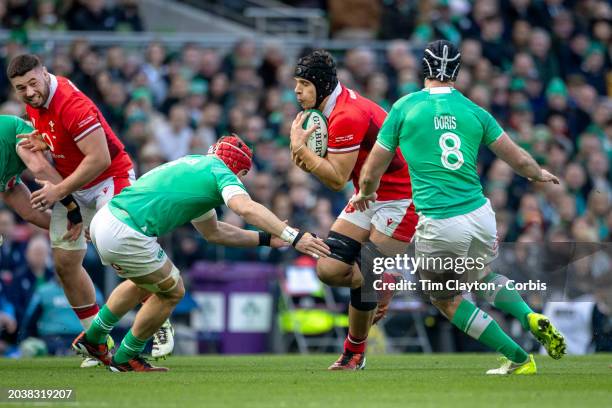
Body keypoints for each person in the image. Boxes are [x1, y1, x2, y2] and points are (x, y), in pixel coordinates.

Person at [353, 40, 567, 375]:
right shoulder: (474, 111)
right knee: (482, 275)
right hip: (480, 214)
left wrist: (364, 192)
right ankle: (528, 315)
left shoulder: (405, 107)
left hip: (440, 220)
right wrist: (538, 174)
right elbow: (520, 160)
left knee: (446, 299)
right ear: (456, 71)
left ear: (424, 68)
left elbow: (373, 168)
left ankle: (519, 358)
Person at [73, 136, 330, 372]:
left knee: (142, 284)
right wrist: (292, 236)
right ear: (239, 171)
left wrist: (265, 239)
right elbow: (245, 207)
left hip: (105, 220)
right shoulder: (221, 173)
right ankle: (127, 355)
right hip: (127, 230)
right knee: (173, 291)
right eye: (242, 176)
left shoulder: (194, 166)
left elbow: (214, 232)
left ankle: (94, 338)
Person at [7, 54, 173, 365]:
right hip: (75, 184)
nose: (28, 92)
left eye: (32, 83)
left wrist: (59, 191)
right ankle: (98, 345)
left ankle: (160, 312)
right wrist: (44, 141)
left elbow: (99, 159)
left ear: (45, 72)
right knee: (65, 264)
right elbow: (60, 137)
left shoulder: (71, 103)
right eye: (20, 88)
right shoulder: (36, 102)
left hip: (111, 178)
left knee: (120, 251)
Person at [290, 50, 418, 370]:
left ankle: (354, 353)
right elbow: (335, 172)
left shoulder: (346, 114)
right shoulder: (330, 107)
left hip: (402, 195)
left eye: (304, 83)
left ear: (321, 86)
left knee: (366, 271)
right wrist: (306, 158)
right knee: (329, 270)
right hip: (368, 193)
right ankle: (379, 280)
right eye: (296, 83)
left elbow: (335, 180)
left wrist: (300, 151)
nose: (297, 90)